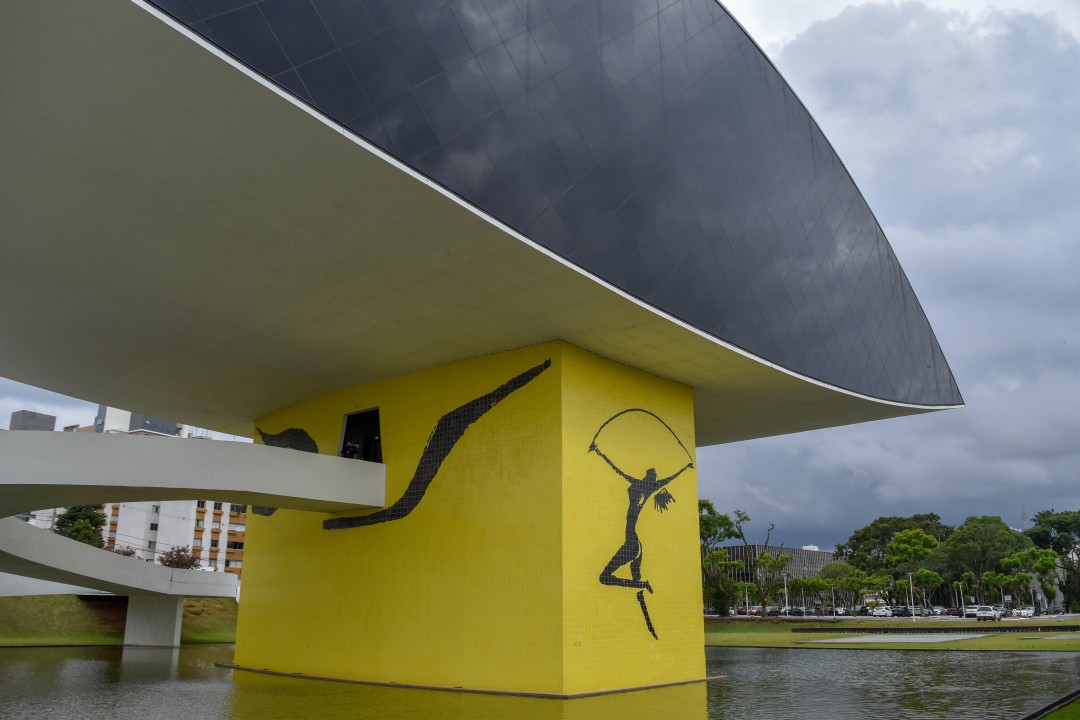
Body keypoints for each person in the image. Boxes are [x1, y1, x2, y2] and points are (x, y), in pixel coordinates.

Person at [589, 441, 693, 637]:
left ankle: (641, 585)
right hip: (637, 544)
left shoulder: (637, 483)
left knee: (604, 577)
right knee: (637, 588)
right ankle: (650, 624)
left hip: (631, 544)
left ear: (647, 475)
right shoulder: (652, 486)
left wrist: (599, 452)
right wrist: (685, 467)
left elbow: (616, 469)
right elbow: (669, 478)